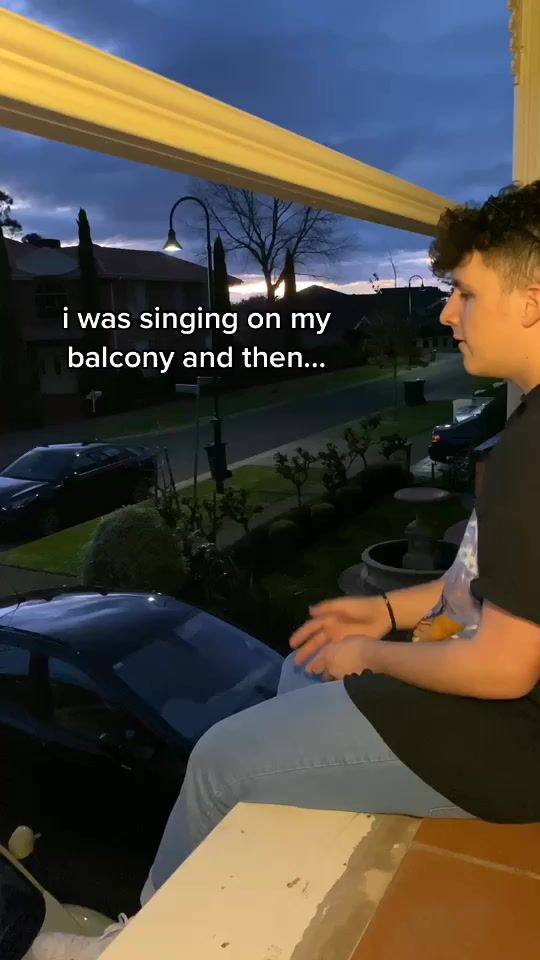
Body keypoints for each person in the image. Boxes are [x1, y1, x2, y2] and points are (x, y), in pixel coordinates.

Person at [33, 180, 540, 960]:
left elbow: (506, 666)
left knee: (217, 760)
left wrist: (371, 653)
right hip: (501, 723)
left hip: (505, 749)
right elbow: (485, 581)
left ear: (532, 299)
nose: (446, 313)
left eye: (465, 294)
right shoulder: (529, 422)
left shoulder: (532, 453)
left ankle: (134, 946)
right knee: (303, 670)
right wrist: (384, 613)